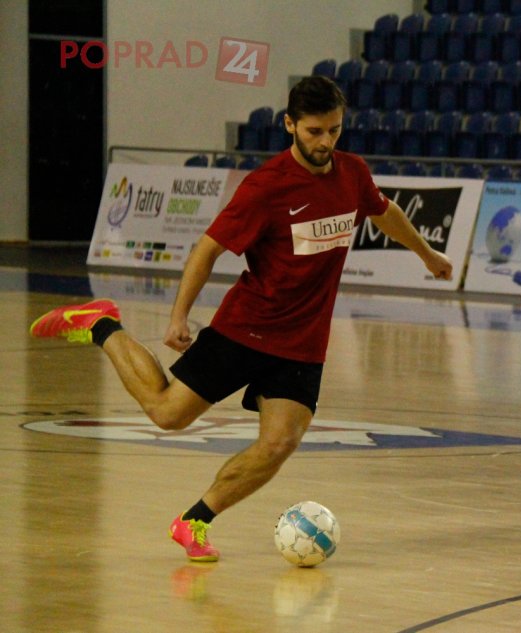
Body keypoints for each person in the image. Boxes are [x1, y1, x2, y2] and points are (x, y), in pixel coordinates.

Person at [29, 76, 453, 562]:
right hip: (247, 328)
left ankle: (194, 521)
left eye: (334, 130)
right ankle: (102, 324)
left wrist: (427, 254)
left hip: (303, 343)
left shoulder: (352, 172)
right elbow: (207, 249)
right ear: (290, 125)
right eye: (314, 131)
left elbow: (383, 210)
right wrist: (179, 316)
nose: (325, 142)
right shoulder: (266, 187)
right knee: (168, 414)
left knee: (279, 444)